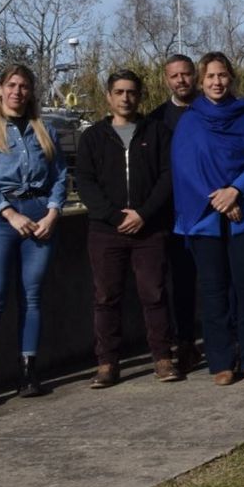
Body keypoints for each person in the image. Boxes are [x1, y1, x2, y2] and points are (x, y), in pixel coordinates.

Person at [170, 52, 244, 385]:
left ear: (231, 78)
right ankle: (222, 361)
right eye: (210, 76)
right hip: (205, 214)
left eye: (222, 75)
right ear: (201, 81)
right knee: (214, 290)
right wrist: (221, 198)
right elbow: (185, 167)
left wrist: (236, 190)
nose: (217, 82)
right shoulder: (191, 120)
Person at [0, 65, 69, 406]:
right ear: (0, 89)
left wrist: (54, 211)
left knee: (32, 297)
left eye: (24, 86)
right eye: (11, 85)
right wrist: (9, 213)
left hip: (41, 218)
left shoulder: (46, 131)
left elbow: (59, 175)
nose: (17, 92)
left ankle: (28, 373)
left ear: (31, 92)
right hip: (0, 219)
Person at [75, 69, 179, 389]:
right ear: (108, 96)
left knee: (155, 294)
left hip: (149, 229)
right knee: (106, 297)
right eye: (119, 92)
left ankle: (162, 357)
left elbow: (167, 177)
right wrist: (114, 217)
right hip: (106, 231)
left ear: (140, 95)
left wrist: (144, 214)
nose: (125, 98)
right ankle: (107, 362)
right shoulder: (92, 137)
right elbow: (85, 183)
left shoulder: (158, 132)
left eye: (131, 92)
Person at [147, 53, 200, 371]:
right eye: (174, 76)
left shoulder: (210, 111)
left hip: (210, 210)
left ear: (195, 76)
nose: (181, 80)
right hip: (171, 214)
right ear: (166, 80)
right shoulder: (156, 119)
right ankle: (184, 342)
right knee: (178, 282)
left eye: (186, 74)